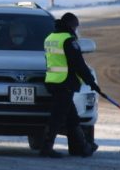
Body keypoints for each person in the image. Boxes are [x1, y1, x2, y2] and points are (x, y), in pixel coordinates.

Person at [41, 12, 99, 158]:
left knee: (71, 116)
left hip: (53, 81)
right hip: (64, 82)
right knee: (57, 117)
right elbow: (78, 64)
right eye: (75, 27)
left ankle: (81, 147)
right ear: (71, 25)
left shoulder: (50, 38)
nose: (76, 30)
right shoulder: (68, 40)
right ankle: (46, 148)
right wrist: (91, 82)